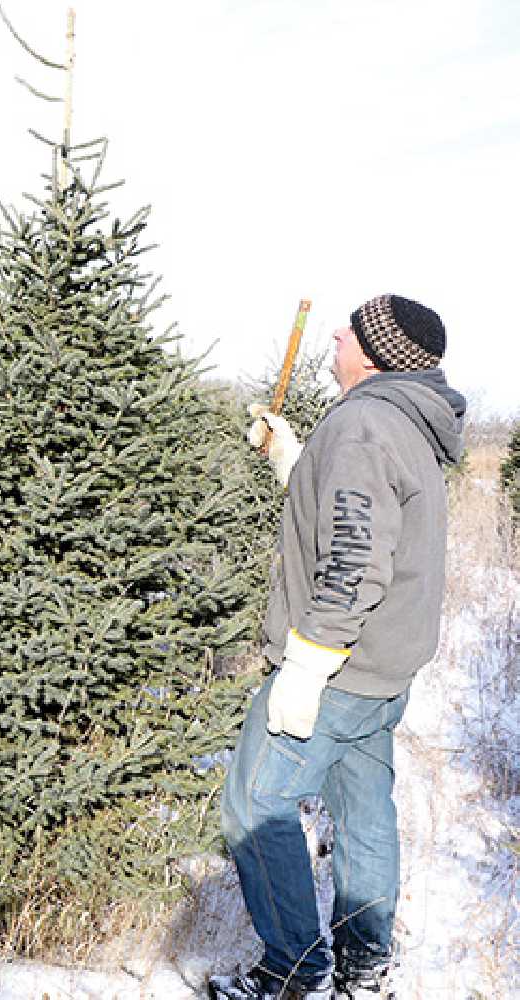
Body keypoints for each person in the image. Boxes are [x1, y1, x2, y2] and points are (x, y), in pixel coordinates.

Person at [207, 295, 466, 1000]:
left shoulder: (363, 425)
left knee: (253, 805)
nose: (333, 334)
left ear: (374, 354)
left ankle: (293, 968)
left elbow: (353, 557)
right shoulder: (401, 420)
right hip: (386, 669)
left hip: (339, 668)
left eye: (348, 329)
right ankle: (366, 966)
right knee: (362, 811)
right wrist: (292, 454)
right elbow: (359, 511)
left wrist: (307, 665)